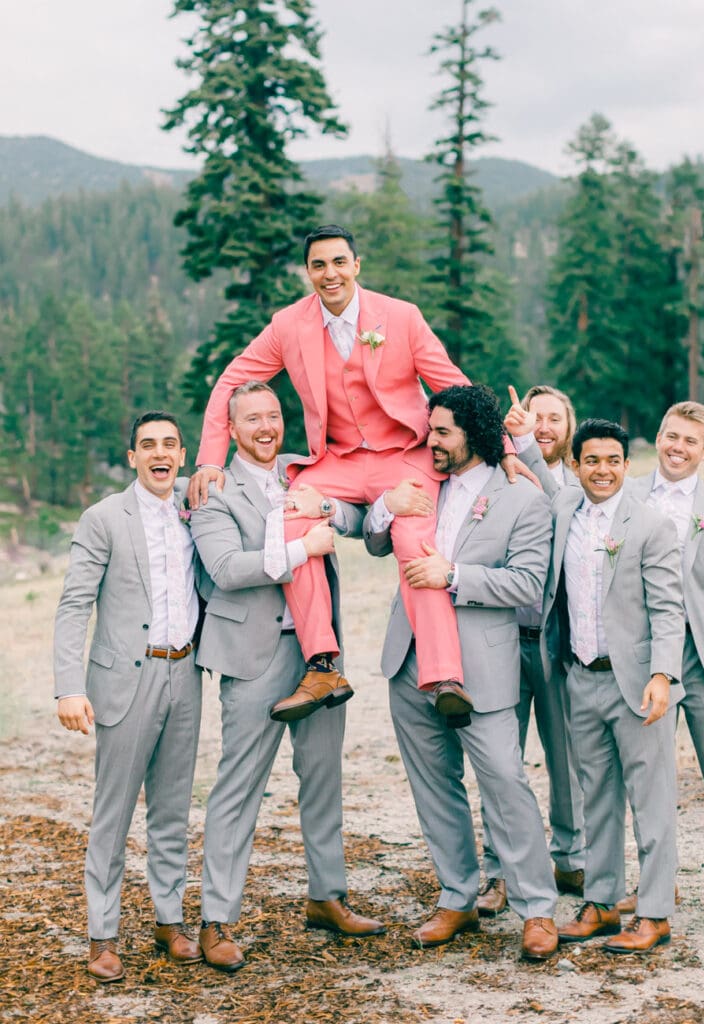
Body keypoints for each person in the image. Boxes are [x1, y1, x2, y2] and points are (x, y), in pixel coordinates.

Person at [189, 224, 522, 727]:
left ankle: (443, 675)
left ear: (356, 265)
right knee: (293, 518)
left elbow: (453, 383)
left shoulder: (401, 317)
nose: (330, 274)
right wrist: (210, 460)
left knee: (413, 538)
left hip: (403, 455)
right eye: (319, 265)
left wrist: (504, 448)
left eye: (339, 262)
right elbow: (232, 380)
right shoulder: (287, 325)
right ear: (308, 272)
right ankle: (322, 664)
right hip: (338, 459)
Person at [190, 381, 385, 971]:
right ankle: (216, 919)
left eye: (273, 415)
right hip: (253, 655)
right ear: (232, 427)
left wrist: (324, 509)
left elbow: (353, 516)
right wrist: (303, 552)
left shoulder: (307, 475)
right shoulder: (213, 490)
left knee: (323, 778)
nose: (266, 427)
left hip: (319, 655)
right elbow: (225, 568)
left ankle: (327, 896)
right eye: (252, 419)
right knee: (238, 786)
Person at [364, 384, 560, 961]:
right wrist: (385, 507)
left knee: (504, 781)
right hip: (409, 660)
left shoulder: (522, 499)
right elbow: (377, 539)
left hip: (482, 666)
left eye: (443, 431)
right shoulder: (421, 479)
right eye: (431, 430)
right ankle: (458, 896)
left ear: (475, 434)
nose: (432, 440)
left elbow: (527, 583)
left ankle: (537, 908)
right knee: (433, 785)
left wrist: (453, 576)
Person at [54, 412, 203, 982]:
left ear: (183, 454)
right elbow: (74, 605)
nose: (159, 453)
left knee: (172, 810)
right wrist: (69, 686)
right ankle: (103, 936)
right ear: (133, 457)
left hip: (185, 675)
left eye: (169, 444)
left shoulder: (197, 513)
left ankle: (170, 921)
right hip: (124, 680)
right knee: (113, 814)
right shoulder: (103, 518)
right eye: (148, 445)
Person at [614, 402, 704, 936]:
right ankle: (658, 884)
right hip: (642, 659)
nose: (678, 447)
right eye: (671, 436)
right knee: (648, 779)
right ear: (658, 437)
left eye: (690, 441)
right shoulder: (624, 496)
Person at [551, 419, 685, 954]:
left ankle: (654, 913)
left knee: (652, 801)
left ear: (627, 466)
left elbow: (669, 610)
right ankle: (603, 903)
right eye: (591, 461)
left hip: (636, 684)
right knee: (597, 799)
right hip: (580, 678)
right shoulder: (563, 512)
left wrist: (662, 676)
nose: (602, 470)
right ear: (576, 465)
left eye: (612, 461)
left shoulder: (650, 525)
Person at [476, 384, 586, 916]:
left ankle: (571, 854)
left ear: (569, 428)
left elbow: (559, 511)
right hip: (500, 640)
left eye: (553, 419)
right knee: (501, 762)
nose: (542, 427)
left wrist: (522, 446)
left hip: (558, 644)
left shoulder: (579, 485)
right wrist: (511, 451)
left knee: (568, 756)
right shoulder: (497, 478)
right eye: (532, 417)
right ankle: (498, 870)